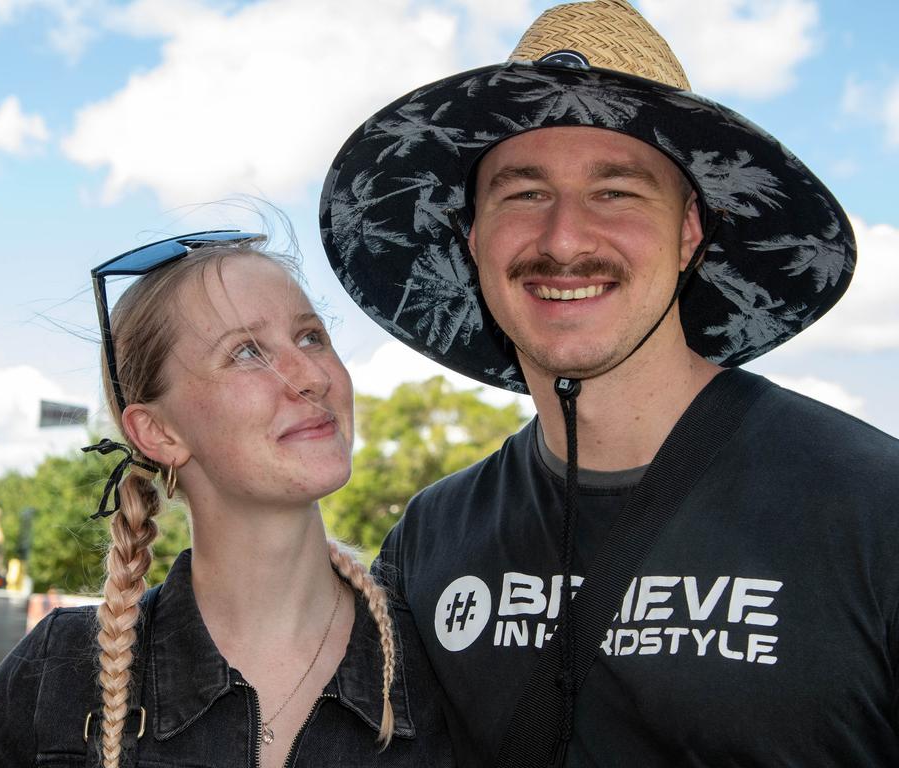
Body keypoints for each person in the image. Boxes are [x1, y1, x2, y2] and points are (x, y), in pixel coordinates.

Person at [320, 0, 899, 766]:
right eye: (523, 193)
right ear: (473, 238)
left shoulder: (873, 511)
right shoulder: (433, 537)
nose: (563, 239)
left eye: (616, 191)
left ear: (690, 231)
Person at [0, 230, 454, 767]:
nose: (310, 376)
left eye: (310, 336)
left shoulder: (448, 661)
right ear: (159, 433)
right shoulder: (58, 670)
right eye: (248, 352)